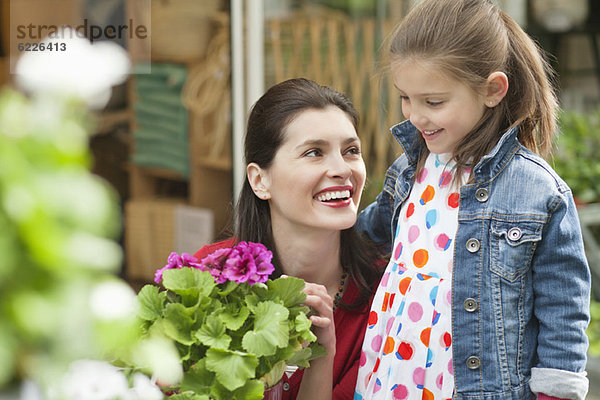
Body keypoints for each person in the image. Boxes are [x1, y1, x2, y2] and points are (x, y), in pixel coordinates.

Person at [353, 0, 591, 399]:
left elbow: (563, 310)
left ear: (492, 90)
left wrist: (555, 393)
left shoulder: (536, 191)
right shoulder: (410, 169)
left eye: (433, 102)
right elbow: (364, 240)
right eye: (405, 98)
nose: (414, 116)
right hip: (394, 379)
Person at [194, 78, 382, 400]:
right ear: (260, 180)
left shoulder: (388, 296)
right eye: (314, 152)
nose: (342, 169)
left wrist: (322, 352)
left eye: (351, 151)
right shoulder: (206, 278)